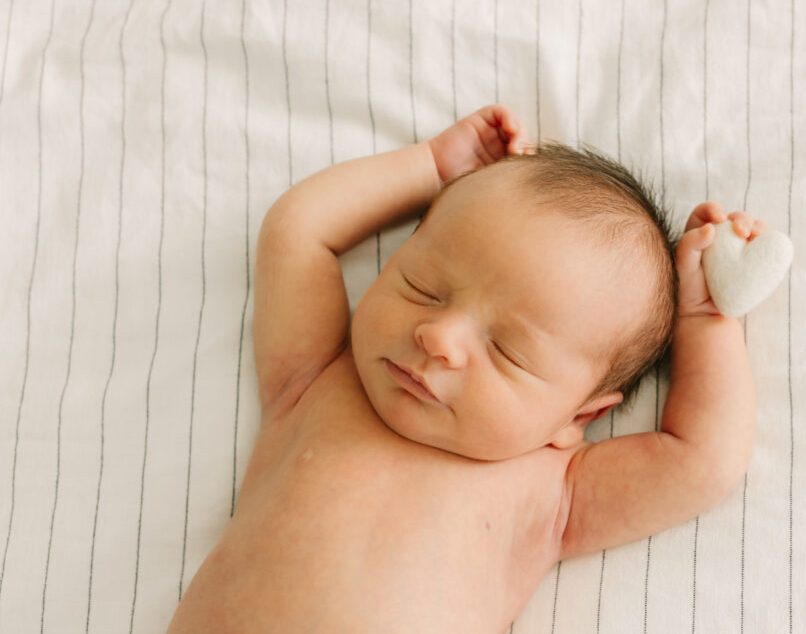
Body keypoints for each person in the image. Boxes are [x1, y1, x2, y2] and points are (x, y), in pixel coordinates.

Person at [167, 104, 764, 633]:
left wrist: (706, 319)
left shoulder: (555, 492)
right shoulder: (317, 379)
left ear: (578, 415)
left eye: (506, 350)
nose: (439, 337)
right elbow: (299, 232)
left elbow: (700, 461)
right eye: (423, 288)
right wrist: (428, 169)